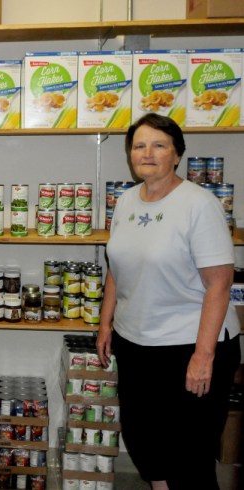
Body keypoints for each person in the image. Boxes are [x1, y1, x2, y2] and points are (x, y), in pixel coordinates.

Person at [96, 113, 240, 489]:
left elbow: (220, 285)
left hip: (189, 347)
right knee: (146, 446)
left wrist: (203, 356)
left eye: (159, 145)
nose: (147, 153)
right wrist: (105, 323)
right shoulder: (126, 201)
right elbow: (117, 266)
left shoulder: (199, 204)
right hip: (137, 344)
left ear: (176, 155)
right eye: (139, 146)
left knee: (188, 459)